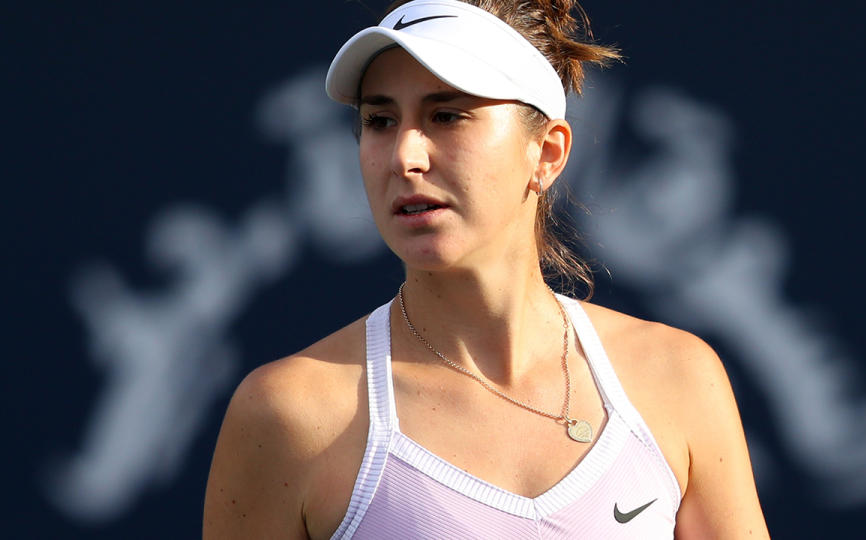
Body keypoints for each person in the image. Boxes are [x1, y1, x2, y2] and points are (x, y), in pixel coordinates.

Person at [203, 0, 770, 538]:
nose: (405, 156)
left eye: (447, 115)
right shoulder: (287, 413)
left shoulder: (678, 376)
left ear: (547, 153)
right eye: (379, 120)